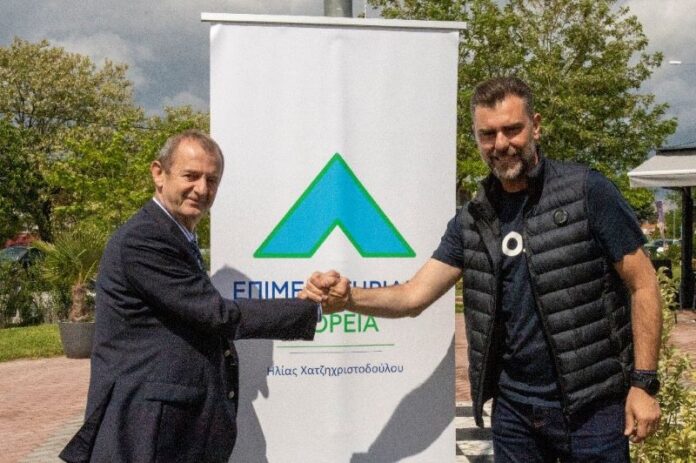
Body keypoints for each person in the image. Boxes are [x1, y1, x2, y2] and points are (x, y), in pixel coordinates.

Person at [306, 77, 662, 462]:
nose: (501, 144)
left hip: (593, 410)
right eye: (487, 134)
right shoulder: (472, 220)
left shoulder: (588, 192)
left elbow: (643, 285)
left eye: (512, 129)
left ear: (536, 126)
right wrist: (350, 298)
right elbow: (413, 296)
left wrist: (643, 383)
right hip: (515, 414)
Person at [60, 130, 333, 463]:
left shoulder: (175, 235)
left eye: (212, 180)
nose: (202, 189)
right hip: (146, 432)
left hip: (170, 428)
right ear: (158, 173)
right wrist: (309, 308)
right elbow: (215, 314)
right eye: (191, 176)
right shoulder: (144, 239)